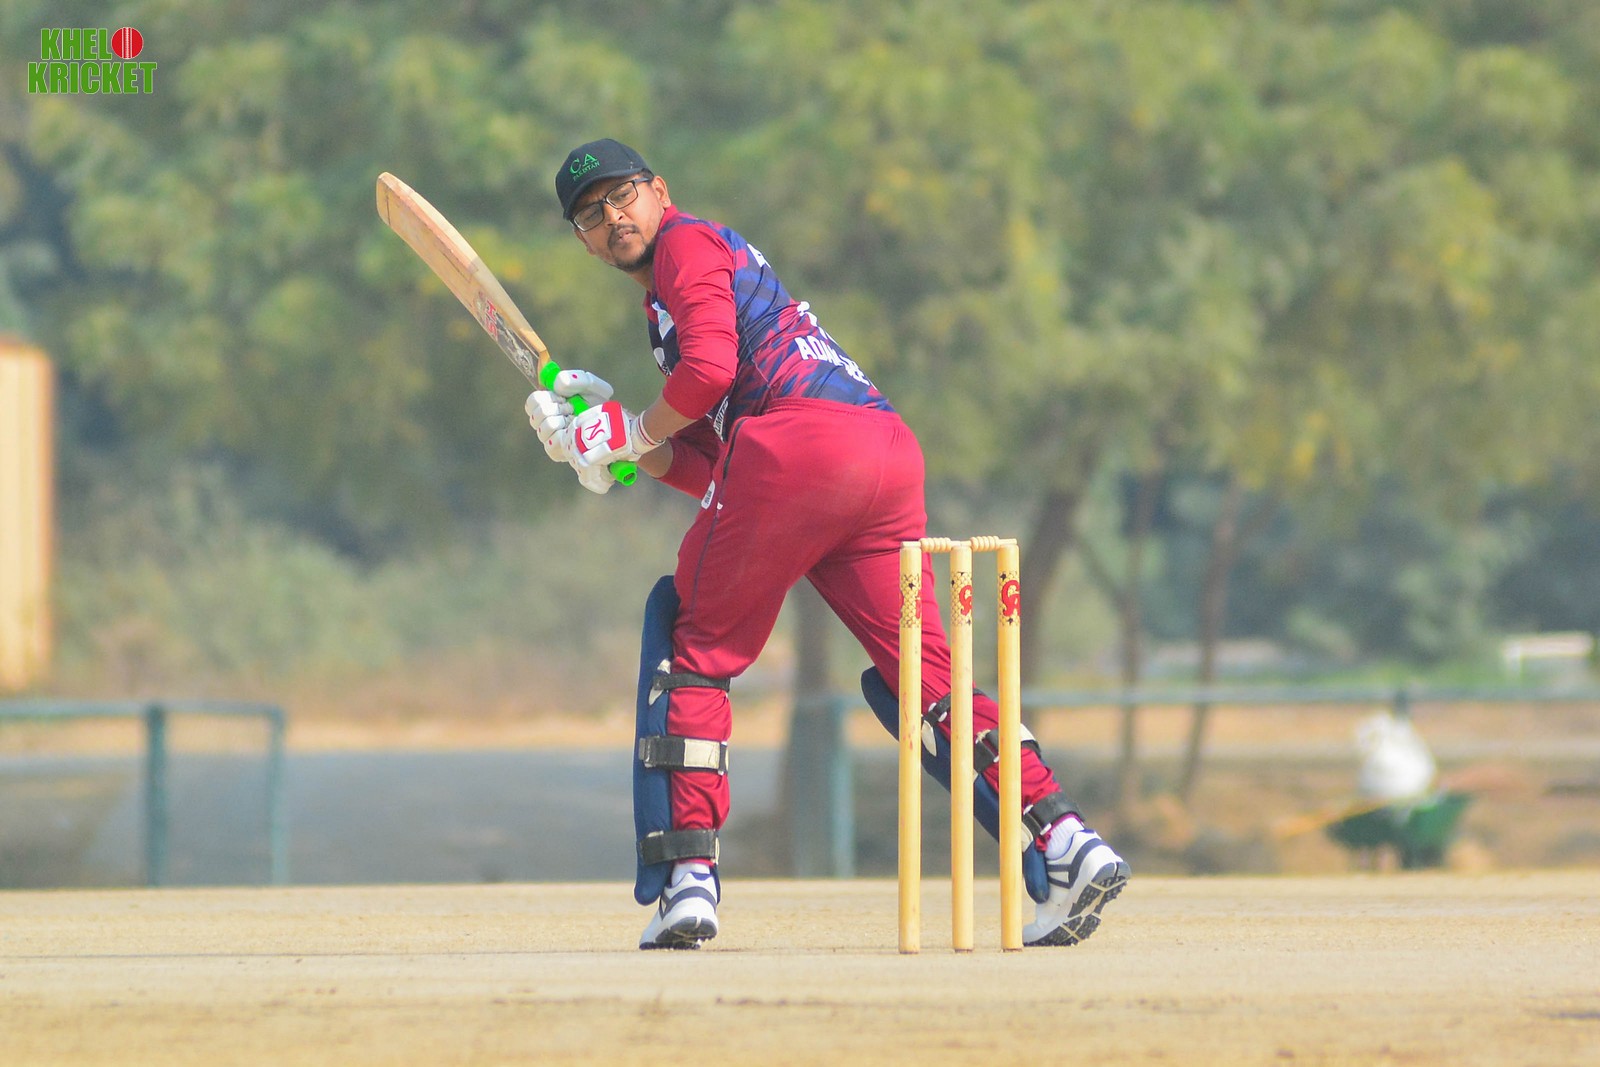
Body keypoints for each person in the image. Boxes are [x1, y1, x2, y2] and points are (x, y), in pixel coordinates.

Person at [526, 138, 1129, 949]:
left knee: (692, 639)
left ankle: (687, 881)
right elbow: (713, 463)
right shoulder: (679, 290)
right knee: (924, 677)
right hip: (880, 456)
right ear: (585, 243)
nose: (612, 218)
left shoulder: (685, 245)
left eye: (621, 196)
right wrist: (614, 448)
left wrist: (633, 428)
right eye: (590, 216)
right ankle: (1067, 841)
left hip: (798, 447)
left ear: (659, 190)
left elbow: (709, 375)